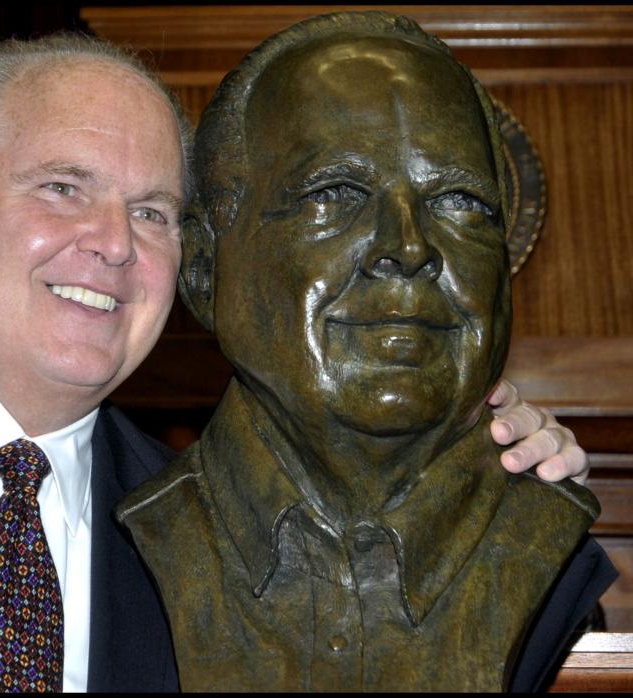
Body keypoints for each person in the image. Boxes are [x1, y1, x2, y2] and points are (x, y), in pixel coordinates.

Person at [0, 31, 591, 692]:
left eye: (152, 211)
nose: (112, 244)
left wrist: (490, 456)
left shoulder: (184, 532)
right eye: (64, 188)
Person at [118, 12, 616, 692]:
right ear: (206, 271)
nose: (409, 248)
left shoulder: (547, 549)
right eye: (336, 195)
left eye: (462, 202)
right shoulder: (105, 535)